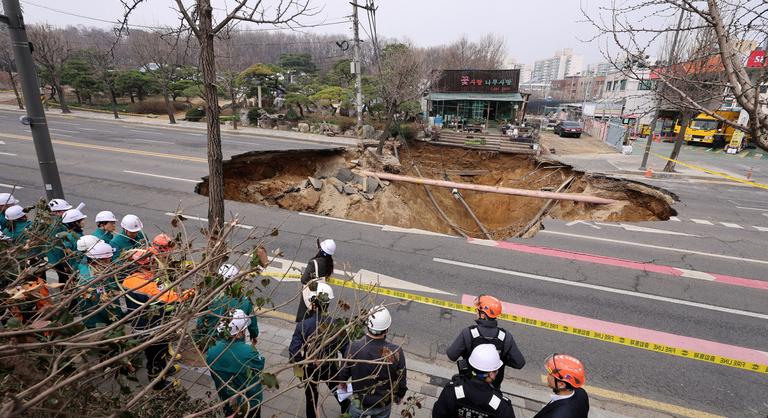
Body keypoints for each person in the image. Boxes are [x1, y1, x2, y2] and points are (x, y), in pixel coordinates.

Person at [122, 248, 191, 390]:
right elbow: (170, 298)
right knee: (156, 354)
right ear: (145, 264)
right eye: (152, 262)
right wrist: (189, 293)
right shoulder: (147, 284)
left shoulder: (129, 279)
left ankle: (164, 371)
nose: (155, 264)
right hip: (151, 327)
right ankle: (157, 382)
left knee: (161, 350)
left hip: (142, 323)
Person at [289, 282, 350, 418]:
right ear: (327, 304)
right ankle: (347, 413)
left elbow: (294, 353)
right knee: (340, 393)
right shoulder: (337, 325)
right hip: (329, 366)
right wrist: (342, 373)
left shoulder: (303, 326)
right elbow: (347, 351)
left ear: (313, 303)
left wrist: (305, 365)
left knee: (311, 400)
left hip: (310, 368)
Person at [338, 306, 407, 418]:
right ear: (387, 329)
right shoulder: (395, 352)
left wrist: (342, 386)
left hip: (359, 403)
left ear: (368, 326)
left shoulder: (354, 348)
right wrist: (399, 396)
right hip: (383, 404)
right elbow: (401, 379)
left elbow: (342, 374)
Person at [447, 294, 525, 389]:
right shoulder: (505, 337)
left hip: (469, 383)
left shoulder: (468, 333)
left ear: (483, 315)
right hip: (492, 387)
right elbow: (519, 363)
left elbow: (451, 355)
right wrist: (501, 358)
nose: (476, 312)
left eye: (478, 311)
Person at [206, 309, 266, 418]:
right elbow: (260, 365)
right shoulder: (249, 352)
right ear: (240, 332)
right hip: (249, 402)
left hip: (227, 399)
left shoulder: (211, 351)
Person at [433, 344, 516, 418]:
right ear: (491, 374)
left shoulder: (451, 391)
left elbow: (437, 414)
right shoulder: (502, 406)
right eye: (496, 370)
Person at [195, 263, 259, 350]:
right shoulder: (244, 301)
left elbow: (200, 322)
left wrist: (199, 339)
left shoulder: (210, 299)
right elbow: (252, 323)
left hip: (213, 340)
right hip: (236, 341)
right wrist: (254, 335)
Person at [76, 242, 123, 328]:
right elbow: (103, 305)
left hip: (93, 316)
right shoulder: (93, 280)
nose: (110, 261)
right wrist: (117, 319)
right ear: (102, 259)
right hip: (98, 321)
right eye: (109, 259)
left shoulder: (86, 266)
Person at [533, 354, 589, 418]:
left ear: (561, 384)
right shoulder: (581, 392)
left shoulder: (557, 415)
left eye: (550, 374)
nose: (547, 376)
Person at [296, 238, 336, 322]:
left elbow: (304, 279)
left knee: (305, 318)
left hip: (311, 292)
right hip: (321, 292)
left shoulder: (314, 262)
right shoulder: (329, 263)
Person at [46, 199, 73, 284]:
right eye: (65, 211)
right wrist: (64, 262)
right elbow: (59, 245)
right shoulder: (57, 226)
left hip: (54, 256)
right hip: (58, 257)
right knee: (64, 279)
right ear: (56, 212)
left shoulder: (49, 221)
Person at [59, 207, 88, 274]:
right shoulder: (70, 237)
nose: (83, 222)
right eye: (81, 220)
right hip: (76, 268)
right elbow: (66, 253)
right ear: (74, 223)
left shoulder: (78, 233)